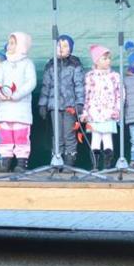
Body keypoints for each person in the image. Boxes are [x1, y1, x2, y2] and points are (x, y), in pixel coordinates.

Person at [38, 34, 86, 167]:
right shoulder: (50, 65)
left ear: (70, 49)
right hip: (54, 106)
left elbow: (79, 86)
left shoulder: (75, 65)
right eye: (58, 45)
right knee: (57, 135)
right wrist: (42, 104)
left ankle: (69, 162)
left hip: (70, 106)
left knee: (69, 134)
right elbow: (46, 86)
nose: (61, 48)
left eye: (65, 46)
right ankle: (57, 160)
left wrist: (79, 103)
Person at [0, 32, 36, 173]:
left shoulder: (27, 63)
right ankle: (5, 161)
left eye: (12, 43)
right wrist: (0, 94)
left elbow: (31, 83)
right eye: (8, 43)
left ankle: (21, 162)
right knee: (5, 136)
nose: (8, 46)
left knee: (20, 135)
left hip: (21, 110)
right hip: (5, 109)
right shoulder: (4, 65)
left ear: (21, 45)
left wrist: (15, 95)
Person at [82, 44, 123, 172]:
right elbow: (86, 95)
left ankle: (107, 165)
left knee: (107, 137)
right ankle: (94, 165)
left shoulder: (115, 76)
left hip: (109, 112)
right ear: (96, 61)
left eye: (109, 58)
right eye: (104, 58)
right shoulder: (89, 76)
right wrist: (85, 112)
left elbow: (120, 94)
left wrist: (117, 110)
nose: (108, 61)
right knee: (95, 138)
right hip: (93, 113)